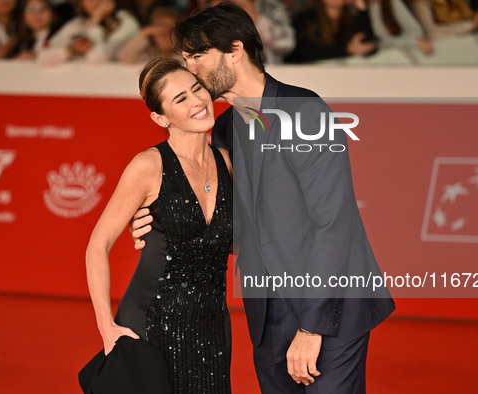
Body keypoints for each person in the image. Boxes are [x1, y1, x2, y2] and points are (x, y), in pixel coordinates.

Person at [131, 3, 395, 393]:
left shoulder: (304, 112)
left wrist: (311, 327)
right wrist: (157, 227)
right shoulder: (222, 130)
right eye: (186, 59)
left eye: (198, 56)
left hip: (331, 305)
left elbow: (333, 225)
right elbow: (224, 224)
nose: (190, 70)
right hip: (268, 310)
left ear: (235, 50)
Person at [85, 57, 234, 393]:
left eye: (197, 89)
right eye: (181, 99)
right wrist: (106, 326)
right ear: (160, 117)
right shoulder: (148, 165)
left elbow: (232, 243)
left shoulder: (225, 161)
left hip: (212, 325)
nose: (197, 101)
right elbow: (97, 245)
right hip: (152, 323)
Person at [37, 0, 139, 65]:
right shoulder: (77, 23)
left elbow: (98, 59)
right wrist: (70, 50)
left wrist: (96, 21)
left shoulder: (126, 21)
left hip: (110, 87)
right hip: (76, 86)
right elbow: (42, 57)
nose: (93, 2)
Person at [285, 0, 377, 63]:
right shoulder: (304, 19)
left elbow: (368, 43)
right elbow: (308, 54)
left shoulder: (350, 20)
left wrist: (362, 8)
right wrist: (346, 49)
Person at [116, 6, 181, 64]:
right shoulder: (147, 55)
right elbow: (123, 58)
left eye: (172, 29)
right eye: (161, 28)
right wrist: (144, 32)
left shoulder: (183, 55)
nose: (166, 33)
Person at [367, 0, 433, 54]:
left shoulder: (390, 3)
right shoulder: (363, 9)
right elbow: (381, 42)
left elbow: (416, 34)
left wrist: (413, 42)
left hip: (395, 54)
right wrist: (413, 42)